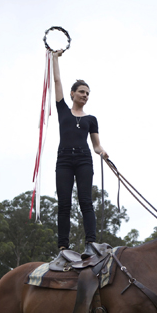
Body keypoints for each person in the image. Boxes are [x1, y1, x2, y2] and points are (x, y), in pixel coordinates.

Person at [52, 50, 108, 260]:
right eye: (82, 92)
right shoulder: (63, 110)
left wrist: (102, 152)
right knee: (64, 204)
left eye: (88, 93)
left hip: (84, 159)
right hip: (64, 160)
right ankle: (63, 248)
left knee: (86, 201)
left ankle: (91, 243)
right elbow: (57, 80)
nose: (85, 95)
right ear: (72, 94)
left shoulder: (91, 119)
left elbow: (96, 145)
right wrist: (55, 59)